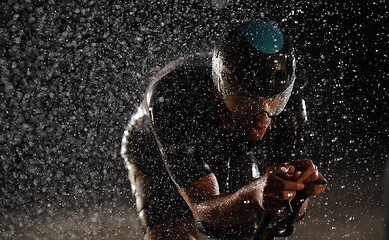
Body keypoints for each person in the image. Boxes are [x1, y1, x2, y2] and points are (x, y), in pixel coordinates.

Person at [121, 20, 327, 240]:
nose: (263, 117)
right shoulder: (173, 97)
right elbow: (205, 213)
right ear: (220, 90)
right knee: (174, 234)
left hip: (227, 140)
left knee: (249, 226)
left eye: (275, 99)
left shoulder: (289, 105)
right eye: (249, 100)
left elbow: (284, 214)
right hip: (153, 151)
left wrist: (296, 193)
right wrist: (255, 194)